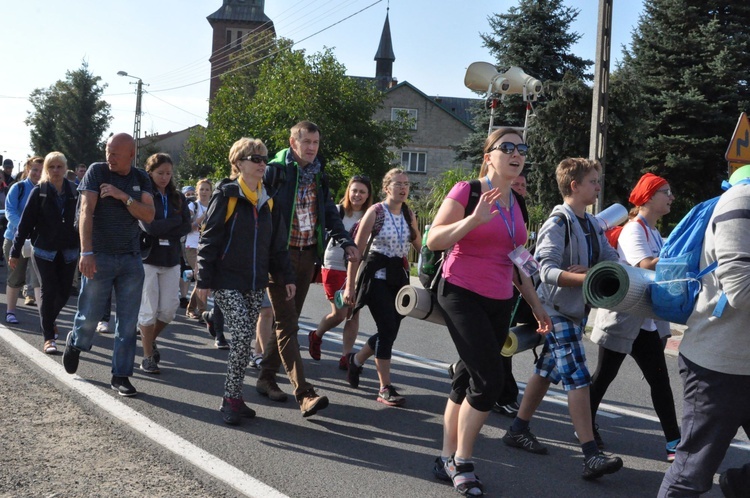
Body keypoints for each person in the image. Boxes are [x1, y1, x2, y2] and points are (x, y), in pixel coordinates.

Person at [426, 129, 551, 496]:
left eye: (522, 148)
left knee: (465, 381)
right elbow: (435, 239)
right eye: (507, 148)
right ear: (489, 155)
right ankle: (463, 462)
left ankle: (446, 458)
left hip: (500, 300)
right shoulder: (468, 191)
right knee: (489, 382)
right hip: (461, 292)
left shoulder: (518, 202)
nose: (517, 154)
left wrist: (537, 306)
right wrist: (473, 220)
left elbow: (516, 262)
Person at [505, 157, 625, 480]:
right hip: (555, 310)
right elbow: (545, 270)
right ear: (574, 186)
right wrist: (585, 278)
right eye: (593, 182)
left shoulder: (591, 225)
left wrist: (590, 271)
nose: (598, 187)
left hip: (573, 312)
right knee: (579, 379)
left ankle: (517, 428)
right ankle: (591, 455)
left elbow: (614, 262)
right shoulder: (559, 223)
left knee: (545, 371)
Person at [658, 165, 750, 497]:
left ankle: (739, 484)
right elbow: (741, 289)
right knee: (690, 477)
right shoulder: (742, 200)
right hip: (719, 366)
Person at [256, 121, 355, 416]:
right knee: (288, 324)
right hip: (281, 257)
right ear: (293, 141)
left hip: (307, 254)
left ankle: (265, 377)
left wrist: (346, 240)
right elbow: (265, 216)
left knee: (288, 319)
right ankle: (304, 393)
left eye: (315, 142)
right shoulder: (276, 171)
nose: (312, 147)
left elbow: (328, 211)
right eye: (306, 142)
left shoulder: (318, 173)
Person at [195, 137, 295, 425]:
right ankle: (229, 400)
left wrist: (286, 276)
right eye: (256, 159)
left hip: (254, 282)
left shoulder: (269, 199)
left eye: (264, 159)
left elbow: (277, 245)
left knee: (244, 342)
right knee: (240, 337)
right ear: (238, 163)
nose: (262, 164)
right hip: (226, 280)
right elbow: (209, 239)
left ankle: (236, 397)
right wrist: (203, 280)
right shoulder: (225, 195)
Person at [589, 173, 680, 461]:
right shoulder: (633, 230)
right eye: (666, 192)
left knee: (660, 381)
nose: (671, 197)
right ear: (649, 197)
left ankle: (673, 442)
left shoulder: (653, 231)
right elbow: (645, 266)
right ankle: (585, 430)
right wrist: (681, 260)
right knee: (604, 376)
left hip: (646, 321)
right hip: (623, 318)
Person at [62, 133, 155, 397]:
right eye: (107, 150)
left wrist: (121, 196)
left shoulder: (140, 178)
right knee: (90, 316)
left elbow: (149, 215)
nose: (109, 157)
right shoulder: (97, 171)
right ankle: (76, 341)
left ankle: (120, 375)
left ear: (130, 155)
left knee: (127, 323)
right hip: (99, 256)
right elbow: (86, 212)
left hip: (131, 258)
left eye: (115, 153)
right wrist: (86, 252)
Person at [342, 169, 421, 407]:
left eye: (406, 184)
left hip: (399, 279)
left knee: (391, 330)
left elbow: (420, 246)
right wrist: (350, 286)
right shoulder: (375, 212)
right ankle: (384, 387)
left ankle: (356, 360)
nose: (403, 188)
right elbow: (355, 253)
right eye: (398, 184)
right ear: (387, 188)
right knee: (387, 328)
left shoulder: (408, 213)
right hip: (375, 276)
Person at [8, 152, 79, 354]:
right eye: (51, 167)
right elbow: (25, 224)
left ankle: (49, 320)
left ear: (65, 168)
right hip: (44, 250)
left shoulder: (75, 191)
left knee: (64, 292)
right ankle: (48, 337)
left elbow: (85, 221)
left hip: (69, 249)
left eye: (59, 167)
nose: (55, 171)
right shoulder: (39, 192)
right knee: (48, 290)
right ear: (46, 170)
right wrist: (15, 251)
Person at [308, 175, 373, 369]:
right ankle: (316, 335)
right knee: (340, 313)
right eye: (354, 190)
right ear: (348, 191)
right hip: (333, 265)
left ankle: (346, 357)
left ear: (368, 195)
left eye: (362, 192)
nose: (357, 195)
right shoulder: (337, 211)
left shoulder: (371, 215)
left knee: (354, 313)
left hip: (358, 269)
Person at [137, 153, 191, 374]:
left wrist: (166, 225)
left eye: (168, 173)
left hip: (171, 258)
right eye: (160, 173)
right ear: (150, 172)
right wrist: (172, 223)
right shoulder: (144, 195)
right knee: (148, 309)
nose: (165, 177)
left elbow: (185, 226)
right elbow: (149, 227)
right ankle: (148, 356)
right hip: (148, 257)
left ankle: (149, 339)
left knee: (169, 310)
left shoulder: (178, 197)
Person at [4, 156, 43, 324]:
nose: (37, 173)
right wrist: (24, 227)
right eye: (34, 169)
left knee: (38, 282)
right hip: (15, 240)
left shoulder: (47, 189)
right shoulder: (18, 188)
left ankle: (45, 320)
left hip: (38, 242)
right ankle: (10, 312)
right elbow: (9, 211)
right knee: (15, 278)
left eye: (41, 170)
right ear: (28, 169)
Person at [185, 179, 211, 319]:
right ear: (197, 191)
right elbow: (189, 226)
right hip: (192, 245)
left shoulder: (214, 206)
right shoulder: (192, 206)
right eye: (202, 189)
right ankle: (202, 311)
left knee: (202, 277)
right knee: (200, 276)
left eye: (207, 189)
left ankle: (191, 308)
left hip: (207, 246)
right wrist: (203, 217)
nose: (204, 192)